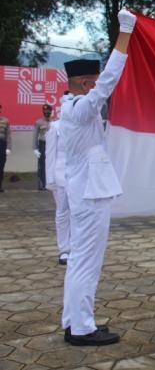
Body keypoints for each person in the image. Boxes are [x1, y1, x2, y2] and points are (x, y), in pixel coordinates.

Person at [59, 8, 136, 346]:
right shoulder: (78, 109)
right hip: (90, 196)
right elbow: (107, 85)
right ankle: (81, 328)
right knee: (86, 264)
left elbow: (103, 86)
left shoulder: (73, 110)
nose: (99, 83)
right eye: (95, 80)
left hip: (89, 193)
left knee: (80, 261)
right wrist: (126, 35)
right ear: (87, 83)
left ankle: (75, 321)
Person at [46, 93, 74, 265]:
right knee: (62, 213)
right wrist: (50, 180)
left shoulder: (80, 126)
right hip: (60, 176)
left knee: (78, 213)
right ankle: (64, 249)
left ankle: (76, 247)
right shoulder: (55, 127)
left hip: (78, 176)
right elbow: (50, 155)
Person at [34, 104, 53, 190]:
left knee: (50, 164)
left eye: (48, 112)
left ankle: (49, 183)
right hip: (42, 144)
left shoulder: (53, 123)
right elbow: (35, 136)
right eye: (45, 112)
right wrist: (35, 149)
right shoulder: (39, 122)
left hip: (51, 145)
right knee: (42, 165)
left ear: (51, 112)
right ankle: (42, 184)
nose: (47, 113)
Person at [0, 104, 11, 193]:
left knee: (1, 166)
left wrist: (8, 147)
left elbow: (8, 135)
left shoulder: (5, 120)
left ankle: (0, 186)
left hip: (2, 144)